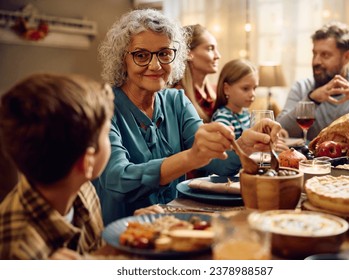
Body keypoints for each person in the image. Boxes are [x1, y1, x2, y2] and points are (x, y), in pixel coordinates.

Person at [94, 9, 282, 225]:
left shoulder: (177, 101)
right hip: (122, 232)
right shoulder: (104, 107)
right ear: (122, 59)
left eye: (164, 53)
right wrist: (190, 157)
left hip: (172, 224)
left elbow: (214, 161)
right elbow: (116, 179)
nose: (155, 66)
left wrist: (245, 144)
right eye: (141, 55)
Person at [0, 73, 163, 260]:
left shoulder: (82, 188)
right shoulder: (18, 253)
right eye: (106, 133)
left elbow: (93, 255)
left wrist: (125, 239)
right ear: (87, 162)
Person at [277, 21, 349, 141]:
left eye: (325, 55)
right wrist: (312, 99)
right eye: (314, 54)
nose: (316, 61)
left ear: (347, 57)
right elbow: (281, 129)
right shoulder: (302, 87)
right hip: (311, 160)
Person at [174, 24, 221, 123]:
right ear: (188, 53)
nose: (218, 56)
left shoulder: (217, 91)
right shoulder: (176, 97)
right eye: (210, 49)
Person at [212, 58, 258, 139]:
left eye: (254, 88)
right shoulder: (223, 117)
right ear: (227, 89)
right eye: (245, 88)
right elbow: (222, 148)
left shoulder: (246, 114)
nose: (252, 94)